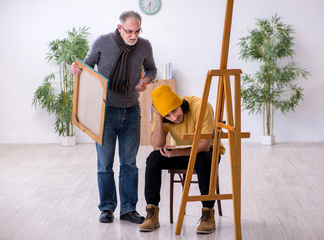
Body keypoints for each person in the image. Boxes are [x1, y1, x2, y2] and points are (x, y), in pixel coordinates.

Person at [70, 10, 157, 224]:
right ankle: (107, 208)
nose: (133, 36)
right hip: (105, 113)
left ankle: (128, 209)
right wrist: (76, 69)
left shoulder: (145, 45)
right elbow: (87, 67)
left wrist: (145, 80)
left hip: (131, 112)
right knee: (104, 164)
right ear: (120, 28)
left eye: (137, 31)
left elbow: (152, 69)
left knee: (129, 164)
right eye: (129, 31)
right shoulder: (102, 42)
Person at [139, 84, 225, 234]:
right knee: (153, 158)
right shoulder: (164, 115)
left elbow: (204, 145)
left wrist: (176, 153)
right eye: (168, 116)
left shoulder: (201, 106)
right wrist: (159, 118)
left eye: (174, 111)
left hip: (207, 152)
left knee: (203, 159)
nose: (174, 118)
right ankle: (152, 213)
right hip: (183, 153)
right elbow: (156, 145)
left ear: (180, 103)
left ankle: (207, 214)